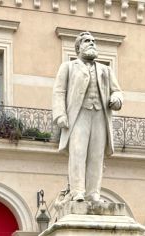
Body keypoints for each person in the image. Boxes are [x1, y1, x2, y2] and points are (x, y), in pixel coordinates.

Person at [52, 31, 123, 204]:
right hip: (78, 115)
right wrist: (60, 115)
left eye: (93, 41)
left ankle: (93, 193)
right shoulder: (68, 67)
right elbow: (59, 91)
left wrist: (117, 99)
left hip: (100, 115)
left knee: (96, 156)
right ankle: (77, 191)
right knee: (78, 152)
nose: (92, 43)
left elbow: (117, 91)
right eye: (86, 41)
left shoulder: (105, 70)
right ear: (78, 47)